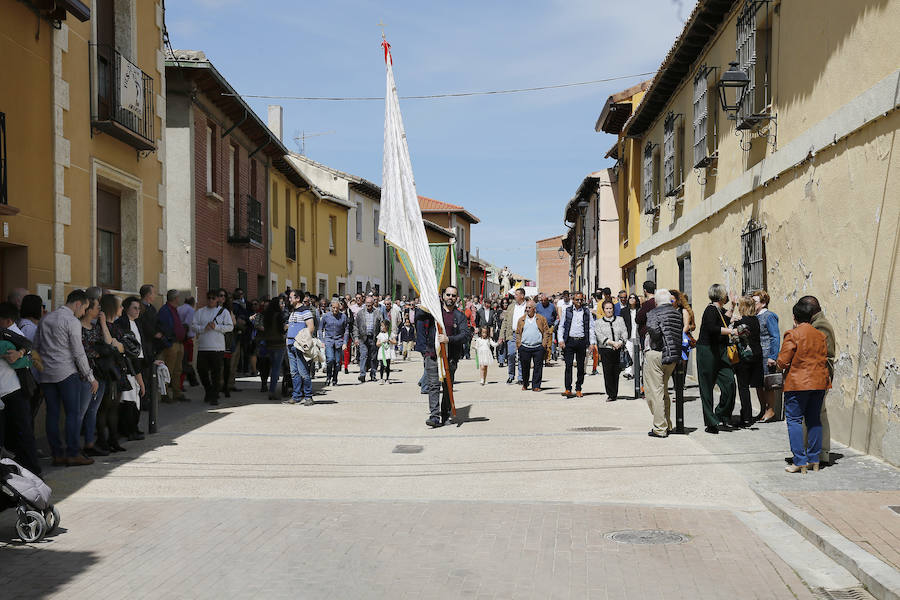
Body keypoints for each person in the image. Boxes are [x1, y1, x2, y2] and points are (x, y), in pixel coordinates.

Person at [33, 289, 97, 466]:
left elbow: (35, 347)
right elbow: (78, 352)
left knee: (52, 414)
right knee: (73, 414)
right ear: (77, 304)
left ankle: (57, 454)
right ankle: (73, 453)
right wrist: (90, 377)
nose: (83, 312)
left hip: (47, 374)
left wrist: (40, 372)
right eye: (84, 308)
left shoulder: (46, 318)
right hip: (67, 373)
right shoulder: (71, 321)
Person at [776, 301, 830, 473]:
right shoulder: (820, 336)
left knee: (794, 421)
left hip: (798, 384)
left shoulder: (793, 334)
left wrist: (777, 364)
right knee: (814, 420)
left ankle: (799, 460)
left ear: (794, 317)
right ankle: (814, 460)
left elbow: (783, 362)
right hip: (819, 382)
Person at [417, 286, 470, 427]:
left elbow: (465, 335)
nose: (450, 298)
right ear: (443, 296)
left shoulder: (460, 316)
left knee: (447, 387)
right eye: (448, 295)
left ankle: (445, 414)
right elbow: (418, 316)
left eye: (453, 295)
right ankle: (434, 417)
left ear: (457, 298)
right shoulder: (434, 312)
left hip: (450, 357)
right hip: (433, 354)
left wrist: (449, 339)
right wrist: (425, 302)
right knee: (433, 386)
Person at [0, 302, 41, 475]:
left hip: (12, 390)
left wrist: (20, 355)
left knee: (22, 433)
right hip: (11, 390)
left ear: (7, 320)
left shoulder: (9, 335)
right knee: (18, 433)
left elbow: (21, 360)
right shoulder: (15, 334)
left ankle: (32, 470)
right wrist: (23, 354)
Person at [696, 284, 737, 434]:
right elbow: (712, 328)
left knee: (729, 382)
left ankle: (721, 414)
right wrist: (732, 331)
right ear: (720, 295)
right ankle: (711, 422)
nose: (726, 296)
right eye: (725, 294)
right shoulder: (710, 310)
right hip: (707, 350)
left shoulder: (719, 310)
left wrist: (733, 305)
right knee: (707, 387)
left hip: (720, 351)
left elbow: (726, 319)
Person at [800, 295, 835, 465]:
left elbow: (817, 350)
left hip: (819, 375)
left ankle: (821, 452)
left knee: (818, 413)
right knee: (816, 413)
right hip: (816, 375)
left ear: (810, 310)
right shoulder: (815, 323)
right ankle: (816, 451)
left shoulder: (820, 325)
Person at [643, 289, 684, 437]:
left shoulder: (654, 313)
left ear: (656, 301)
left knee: (654, 392)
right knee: (664, 391)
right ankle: (667, 424)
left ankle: (659, 428)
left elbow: (654, 332)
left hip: (657, 353)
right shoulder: (677, 313)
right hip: (672, 356)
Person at [191, 290, 234, 406]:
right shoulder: (200, 312)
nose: (210, 300)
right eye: (209, 298)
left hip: (217, 347)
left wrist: (217, 327)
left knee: (216, 373)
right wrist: (203, 328)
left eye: (213, 298)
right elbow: (193, 326)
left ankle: (214, 396)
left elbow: (230, 327)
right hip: (203, 347)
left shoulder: (223, 312)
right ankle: (208, 390)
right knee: (202, 370)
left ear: (217, 300)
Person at [113, 296, 146, 442]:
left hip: (138, 364)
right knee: (129, 398)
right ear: (126, 308)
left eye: (139, 308)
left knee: (136, 397)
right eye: (134, 308)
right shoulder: (122, 323)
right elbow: (129, 350)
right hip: (129, 366)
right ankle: (129, 429)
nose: (137, 311)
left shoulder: (137, 323)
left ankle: (132, 427)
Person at [731, 296, 763, 428]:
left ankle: (746, 417)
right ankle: (751, 414)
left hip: (744, 357)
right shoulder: (756, 320)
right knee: (753, 386)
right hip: (756, 355)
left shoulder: (740, 321)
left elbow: (734, 337)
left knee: (743, 388)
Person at [558, 292, 596, 398]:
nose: (579, 302)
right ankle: (568, 389)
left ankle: (578, 388)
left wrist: (592, 342)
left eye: (581, 300)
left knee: (580, 366)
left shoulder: (586, 312)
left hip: (582, 341)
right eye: (577, 300)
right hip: (569, 341)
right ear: (573, 300)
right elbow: (562, 326)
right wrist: (561, 340)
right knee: (568, 366)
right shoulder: (567, 310)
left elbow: (591, 327)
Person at [753, 290, 781, 423]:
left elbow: (775, 336)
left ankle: (770, 411)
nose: (753, 304)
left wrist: (773, 356)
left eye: (755, 301)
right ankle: (762, 409)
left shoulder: (769, 316)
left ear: (763, 303)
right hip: (757, 355)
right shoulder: (755, 316)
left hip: (766, 355)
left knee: (768, 384)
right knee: (759, 384)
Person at [284, 289, 315, 405]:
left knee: (303, 372)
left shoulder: (305, 311)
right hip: (290, 345)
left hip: (299, 346)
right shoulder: (293, 312)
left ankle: (308, 397)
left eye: (291, 297)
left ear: (297, 298)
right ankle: (296, 396)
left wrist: (300, 341)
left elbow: (311, 327)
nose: (289, 299)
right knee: (294, 372)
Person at [594, 299, 628, 402]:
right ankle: (610, 393)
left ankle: (615, 392)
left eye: (611, 308)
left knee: (616, 371)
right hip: (606, 349)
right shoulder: (598, 322)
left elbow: (624, 332)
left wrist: (620, 342)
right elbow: (599, 335)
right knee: (608, 372)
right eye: (607, 308)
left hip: (617, 348)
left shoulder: (620, 320)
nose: (609, 310)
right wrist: (612, 343)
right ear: (603, 310)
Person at [515, 300, 552, 391]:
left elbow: (546, 332)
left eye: (529, 308)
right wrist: (519, 345)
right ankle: (525, 383)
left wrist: (543, 345)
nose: (527, 309)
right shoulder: (521, 320)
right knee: (525, 367)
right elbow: (518, 333)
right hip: (525, 347)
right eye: (526, 308)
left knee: (538, 367)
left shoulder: (541, 319)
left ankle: (536, 385)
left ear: (534, 309)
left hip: (538, 347)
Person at [157, 290, 186, 402]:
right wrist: (168, 340)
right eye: (178, 297)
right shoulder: (165, 310)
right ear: (174, 298)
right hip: (171, 344)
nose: (179, 299)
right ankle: (164, 394)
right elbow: (164, 327)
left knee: (178, 369)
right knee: (168, 370)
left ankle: (176, 392)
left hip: (179, 343)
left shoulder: (174, 310)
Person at [259, 296, 286, 400]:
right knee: (276, 368)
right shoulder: (279, 315)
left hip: (269, 343)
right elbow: (281, 331)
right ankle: (272, 391)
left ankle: (271, 389)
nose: (282, 305)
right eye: (280, 303)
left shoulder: (267, 316)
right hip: (279, 344)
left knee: (272, 367)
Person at [499, 288, 527, 385]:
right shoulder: (511, 307)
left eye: (516, 294)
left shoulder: (528, 306)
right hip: (512, 334)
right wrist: (501, 335)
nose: (514, 296)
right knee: (511, 354)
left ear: (522, 296)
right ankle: (511, 375)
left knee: (521, 356)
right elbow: (505, 321)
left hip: (523, 335)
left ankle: (521, 377)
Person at [354, 295, 383, 383]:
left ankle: (373, 374)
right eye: (367, 304)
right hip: (363, 338)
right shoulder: (360, 313)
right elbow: (355, 326)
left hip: (374, 338)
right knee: (363, 355)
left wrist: (382, 336)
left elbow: (382, 324)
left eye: (370, 304)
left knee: (374, 357)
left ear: (373, 303)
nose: (368, 306)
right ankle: (362, 374)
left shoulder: (378, 312)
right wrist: (356, 338)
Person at [320, 298, 349, 387]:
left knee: (337, 362)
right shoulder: (326, 316)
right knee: (330, 359)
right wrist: (322, 340)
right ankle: (328, 376)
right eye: (333, 308)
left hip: (339, 341)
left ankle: (335, 379)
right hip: (329, 340)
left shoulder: (343, 317)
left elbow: (346, 330)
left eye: (337, 308)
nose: (335, 310)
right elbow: (320, 329)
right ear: (331, 307)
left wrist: (345, 342)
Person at [177, 296, 199, 390]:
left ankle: (179, 383)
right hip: (187, 339)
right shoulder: (190, 310)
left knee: (180, 362)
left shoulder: (178, 308)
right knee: (186, 362)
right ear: (193, 303)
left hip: (179, 338)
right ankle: (180, 384)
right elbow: (188, 324)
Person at [621, 293, 641, 379]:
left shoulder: (640, 311)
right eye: (630, 298)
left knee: (636, 355)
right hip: (628, 336)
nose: (632, 299)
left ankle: (635, 372)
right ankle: (629, 372)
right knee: (629, 354)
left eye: (634, 298)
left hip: (637, 335)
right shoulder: (624, 311)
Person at [534, 294, 558, 365]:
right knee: (540, 344)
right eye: (542, 300)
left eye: (545, 300)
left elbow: (555, 315)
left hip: (549, 327)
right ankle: (540, 359)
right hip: (539, 327)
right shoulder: (538, 306)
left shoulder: (552, 306)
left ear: (548, 300)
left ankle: (547, 360)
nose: (543, 302)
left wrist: (553, 324)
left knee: (549, 344)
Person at [494, 297, 508, 366]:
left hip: (508, 330)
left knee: (508, 346)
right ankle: (501, 361)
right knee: (501, 346)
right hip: (501, 330)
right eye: (504, 303)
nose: (505, 304)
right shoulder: (499, 311)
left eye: (506, 303)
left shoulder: (510, 311)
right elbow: (497, 322)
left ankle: (508, 359)